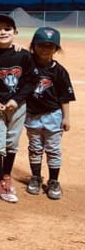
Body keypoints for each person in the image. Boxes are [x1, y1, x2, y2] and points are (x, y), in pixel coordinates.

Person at [0, 14, 36, 203]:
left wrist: (17, 99)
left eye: (7, 28)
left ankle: (6, 174)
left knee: (12, 141)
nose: (3, 32)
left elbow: (31, 81)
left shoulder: (23, 55)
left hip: (18, 106)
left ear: (15, 32)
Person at [24, 27, 75, 200]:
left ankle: (53, 181)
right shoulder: (27, 63)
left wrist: (66, 117)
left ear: (56, 48)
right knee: (35, 148)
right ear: (33, 45)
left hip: (53, 115)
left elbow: (64, 97)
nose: (45, 49)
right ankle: (36, 177)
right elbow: (12, 56)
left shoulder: (59, 71)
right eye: (41, 45)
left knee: (53, 149)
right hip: (32, 115)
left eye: (50, 46)